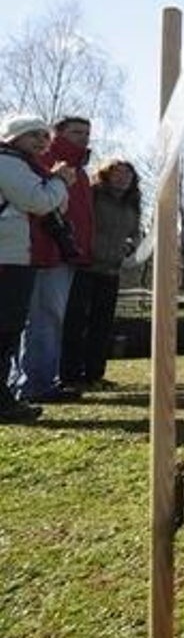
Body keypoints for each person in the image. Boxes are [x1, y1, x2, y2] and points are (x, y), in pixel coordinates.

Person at [9, 116, 93, 404]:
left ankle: (34, 380)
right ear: (57, 135)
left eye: (86, 132)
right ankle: (36, 383)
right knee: (44, 317)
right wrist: (57, 179)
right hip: (46, 250)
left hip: (67, 251)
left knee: (46, 318)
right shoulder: (45, 161)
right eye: (75, 132)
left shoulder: (79, 169)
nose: (83, 137)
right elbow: (41, 203)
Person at [0, 114, 74, 423]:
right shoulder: (9, 163)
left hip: (17, 256)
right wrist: (58, 182)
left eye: (45, 137)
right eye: (33, 135)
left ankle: (3, 398)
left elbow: (53, 204)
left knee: (8, 330)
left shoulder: (25, 166)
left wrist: (53, 186)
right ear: (12, 138)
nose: (41, 142)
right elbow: (41, 202)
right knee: (4, 331)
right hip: (7, 258)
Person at [61, 159, 140, 389]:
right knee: (76, 324)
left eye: (128, 174)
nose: (123, 177)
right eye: (118, 173)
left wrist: (130, 246)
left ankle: (94, 374)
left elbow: (136, 232)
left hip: (112, 270)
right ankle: (70, 375)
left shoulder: (132, 202)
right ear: (106, 174)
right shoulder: (93, 194)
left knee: (102, 325)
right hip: (85, 268)